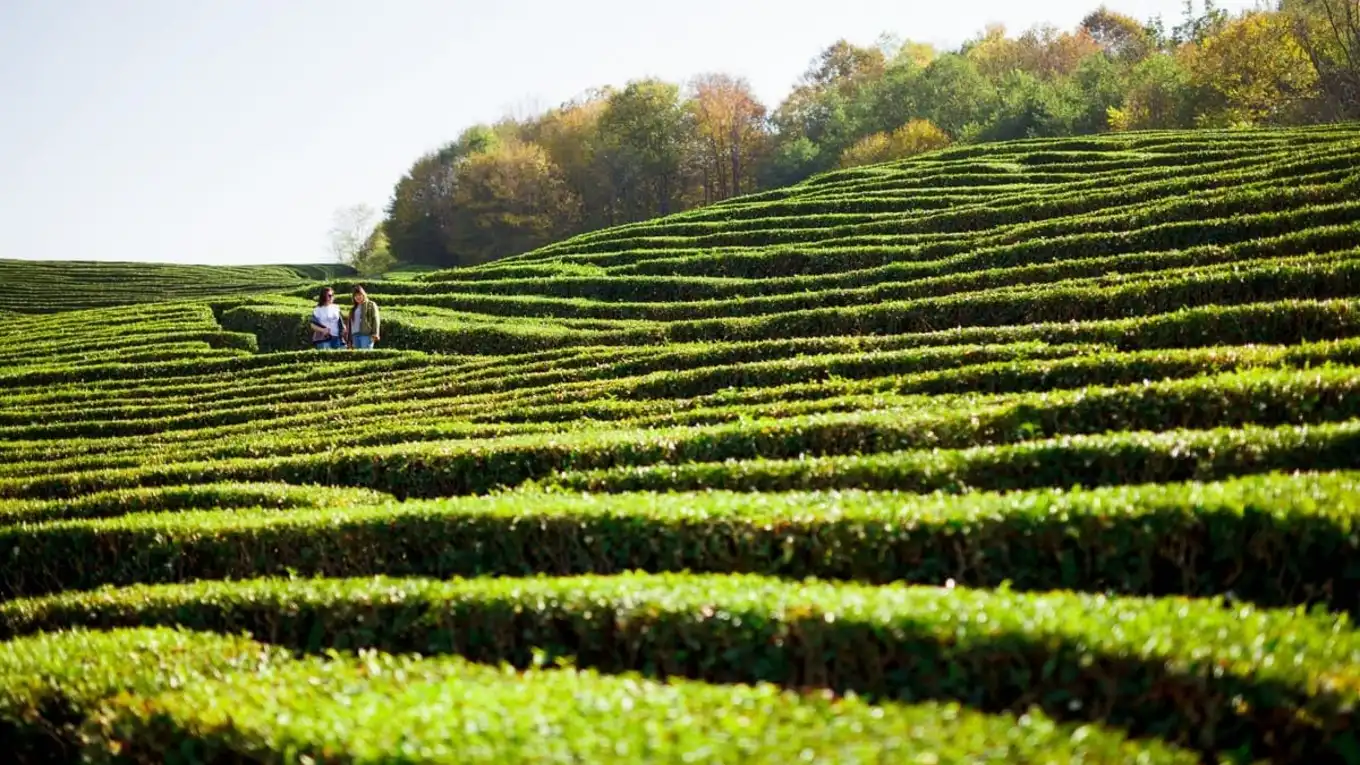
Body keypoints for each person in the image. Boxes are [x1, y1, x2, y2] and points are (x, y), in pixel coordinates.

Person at [346, 284, 381, 350]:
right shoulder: (353, 309)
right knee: (357, 357)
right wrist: (349, 339)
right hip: (355, 335)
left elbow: (376, 319)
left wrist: (375, 333)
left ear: (363, 294)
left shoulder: (371, 304)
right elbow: (350, 325)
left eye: (359, 294)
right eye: (355, 296)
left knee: (366, 355)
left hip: (366, 335)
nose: (357, 297)